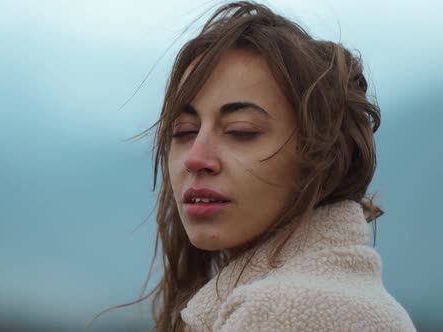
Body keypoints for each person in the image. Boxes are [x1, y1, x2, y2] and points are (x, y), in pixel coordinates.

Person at [93, 1, 417, 331]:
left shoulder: (281, 313)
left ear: (324, 155)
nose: (195, 158)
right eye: (184, 132)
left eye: (241, 131)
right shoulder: (347, 301)